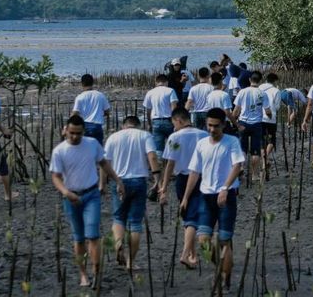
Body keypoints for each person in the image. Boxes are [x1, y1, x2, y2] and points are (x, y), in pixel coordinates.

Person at [50, 115, 123, 288]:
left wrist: (117, 180)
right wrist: (66, 192)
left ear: (84, 132)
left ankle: (96, 273)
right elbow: (56, 177)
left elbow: (104, 163)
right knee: (79, 238)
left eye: (79, 133)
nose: (75, 137)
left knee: (93, 236)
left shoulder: (92, 144)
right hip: (71, 197)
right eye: (72, 133)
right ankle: (83, 274)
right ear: (66, 131)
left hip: (91, 195)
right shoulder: (59, 151)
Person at [180, 108, 244, 290]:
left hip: (226, 196)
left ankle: (226, 277)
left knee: (224, 240)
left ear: (223, 125)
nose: (212, 129)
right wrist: (185, 197)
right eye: (209, 125)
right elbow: (194, 172)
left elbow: (237, 165)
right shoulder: (201, 144)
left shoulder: (231, 142)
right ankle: (222, 266)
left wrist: (225, 187)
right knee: (203, 240)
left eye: (216, 126)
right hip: (205, 196)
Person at [104, 116, 160, 270]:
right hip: (138, 181)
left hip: (119, 181)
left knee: (118, 218)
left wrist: (102, 184)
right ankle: (131, 262)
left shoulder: (113, 137)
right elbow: (152, 157)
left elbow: (105, 162)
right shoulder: (145, 135)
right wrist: (157, 179)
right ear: (138, 125)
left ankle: (118, 245)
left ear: (124, 126)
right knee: (135, 222)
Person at [159, 108, 208, 269]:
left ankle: (191, 255)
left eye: (174, 123)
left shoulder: (175, 137)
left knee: (189, 216)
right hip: (200, 178)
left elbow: (169, 164)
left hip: (181, 179)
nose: (173, 126)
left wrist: (164, 187)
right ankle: (187, 254)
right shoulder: (204, 135)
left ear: (179, 120)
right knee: (192, 218)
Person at [233, 71, 271, 180]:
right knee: (255, 150)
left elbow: (236, 110)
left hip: (243, 123)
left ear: (250, 80)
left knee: (243, 149)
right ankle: (254, 175)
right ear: (260, 81)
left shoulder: (242, 92)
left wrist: (234, 121)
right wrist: (270, 116)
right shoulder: (262, 93)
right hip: (256, 124)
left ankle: (241, 167)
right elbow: (267, 111)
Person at [143, 74, 178, 158]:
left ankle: (160, 166)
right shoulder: (170, 90)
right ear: (166, 82)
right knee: (173, 146)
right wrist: (175, 121)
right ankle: (172, 164)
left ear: (156, 82)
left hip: (156, 122)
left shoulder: (150, 92)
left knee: (158, 148)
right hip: (169, 121)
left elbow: (148, 110)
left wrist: (149, 124)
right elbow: (174, 106)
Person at [71, 74, 111, 146]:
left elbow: (74, 114)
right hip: (97, 126)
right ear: (93, 83)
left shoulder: (80, 97)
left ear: (82, 84)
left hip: (85, 126)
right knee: (98, 151)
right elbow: (107, 111)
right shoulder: (100, 95)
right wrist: (100, 114)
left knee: (85, 149)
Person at [259, 73, 281, 160]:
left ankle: (262, 157)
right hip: (271, 118)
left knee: (261, 139)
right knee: (272, 139)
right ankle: (266, 156)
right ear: (275, 81)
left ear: (266, 79)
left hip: (260, 117)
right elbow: (277, 107)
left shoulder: (259, 88)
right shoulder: (276, 90)